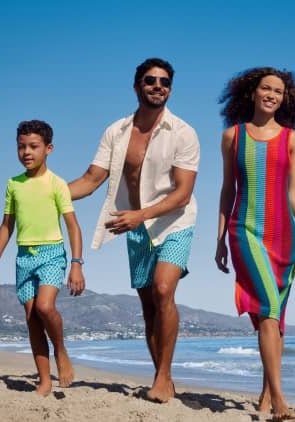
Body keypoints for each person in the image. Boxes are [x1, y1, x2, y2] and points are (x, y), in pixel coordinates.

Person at [68, 58, 200, 403]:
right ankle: (162, 376)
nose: (158, 86)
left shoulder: (183, 132)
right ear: (136, 86)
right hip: (136, 225)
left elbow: (183, 192)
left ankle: (164, 376)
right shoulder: (117, 132)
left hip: (174, 221)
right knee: (148, 305)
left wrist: (141, 214)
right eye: (150, 80)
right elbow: (91, 179)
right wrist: (44, 193)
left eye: (165, 82)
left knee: (163, 288)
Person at [215, 67, 295, 422]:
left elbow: (294, 193)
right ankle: (279, 401)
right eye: (266, 88)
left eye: (279, 91)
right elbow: (228, 189)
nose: (272, 94)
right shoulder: (233, 136)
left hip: (283, 237)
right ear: (252, 92)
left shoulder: (292, 139)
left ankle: (263, 395)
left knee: (273, 319)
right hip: (244, 230)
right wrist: (219, 239)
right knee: (270, 309)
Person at [0, 119, 86, 396]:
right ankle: (44, 380)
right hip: (23, 257)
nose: (26, 152)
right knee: (31, 318)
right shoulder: (13, 185)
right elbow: (7, 226)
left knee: (44, 307)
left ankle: (61, 351)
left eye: (33, 146)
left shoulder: (57, 184)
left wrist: (76, 265)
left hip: (52, 253)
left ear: (48, 149)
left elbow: (73, 226)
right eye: (21, 147)